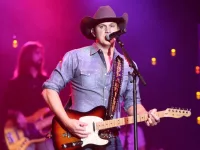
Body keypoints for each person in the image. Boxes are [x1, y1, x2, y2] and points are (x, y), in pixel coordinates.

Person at [42, 5, 160, 150]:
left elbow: (131, 104)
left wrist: (147, 115)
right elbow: (49, 90)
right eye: (102, 26)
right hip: (80, 139)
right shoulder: (76, 57)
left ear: (118, 30)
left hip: (112, 141)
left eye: (112, 25)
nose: (108, 30)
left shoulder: (128, 65)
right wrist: (67, 122)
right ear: (93, 31)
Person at [0, 41, 55, 150]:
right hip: (21, 133)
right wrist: (17, 114)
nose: (41, 56)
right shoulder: (15, 83)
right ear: (27, 56)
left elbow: (53, 106)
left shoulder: (46, 81)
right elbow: (5, 108)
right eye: (37, 53)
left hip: (43, 133)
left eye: (41, 53)